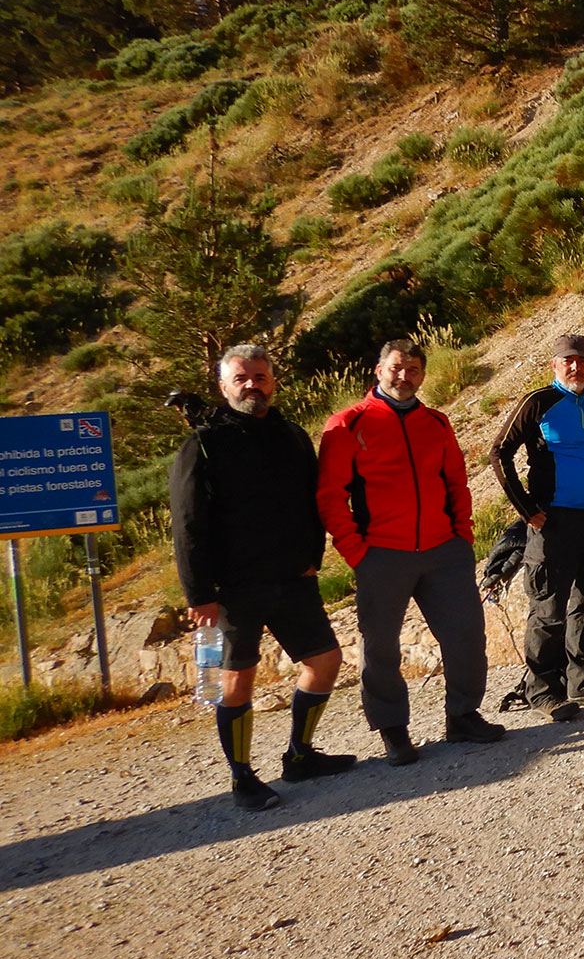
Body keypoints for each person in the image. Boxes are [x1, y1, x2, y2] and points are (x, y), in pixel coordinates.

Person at [170, 346, 355, 811]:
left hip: (293, 578)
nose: (252, 384)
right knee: (236, 681)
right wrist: (199, 593)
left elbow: (313, 499)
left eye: (260, 376)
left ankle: (299, 755)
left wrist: (313, 556)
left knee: (325, 661)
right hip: (232, 589)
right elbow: (187, 525)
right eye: (241, 378)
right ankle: (242, 777)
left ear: (272, 381)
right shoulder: (203, 444)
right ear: (224, 386)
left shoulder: (291, 435)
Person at [317, 339, 505, 765]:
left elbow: (456, 482)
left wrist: (462, 536)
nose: (405, 377)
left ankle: (462, 716)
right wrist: (355, 551)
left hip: (444, 549)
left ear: (423, 375)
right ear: (379, 369)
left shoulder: (436, 423)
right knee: (381, 646)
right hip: (381, 552)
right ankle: (393, 730)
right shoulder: (348, 424)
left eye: (414, 370)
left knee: (466, 636)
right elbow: (330, 496)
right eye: (397, 368)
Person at [488, 335, 584, 722]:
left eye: (582, 360)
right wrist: (527, 509)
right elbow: (499, 453)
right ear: (554, 365)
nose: (575, 367)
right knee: (548, 608)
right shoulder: (538, 403)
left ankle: (582, 682)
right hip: (553, 522)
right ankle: (542, 690)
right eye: (567, 361)